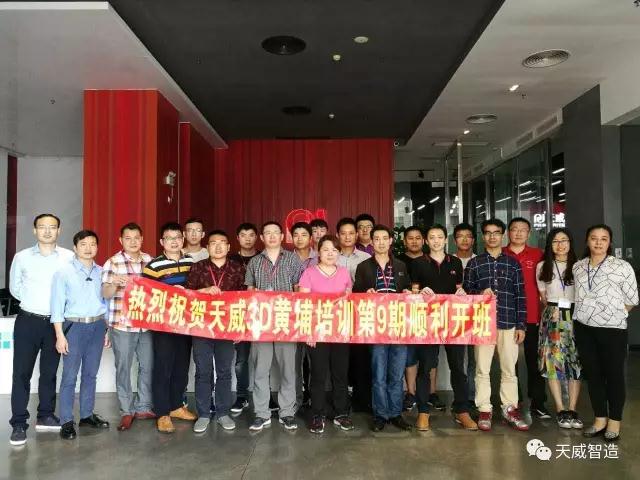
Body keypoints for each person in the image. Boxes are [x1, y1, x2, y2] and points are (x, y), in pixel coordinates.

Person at [8, 213, 74, 446]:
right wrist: (34, 301)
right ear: (35, 230)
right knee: (21, 373)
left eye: (52, 227)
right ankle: (18, 423)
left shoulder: (68, 257)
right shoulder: (22, 257)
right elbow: (15, 288)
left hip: (56, 323)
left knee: (49, 372)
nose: (47, 231)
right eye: (42, 227)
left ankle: (46, 414)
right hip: (28, 321)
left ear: (59, 230)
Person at [573, 224, 638, 441]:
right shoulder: (578, 267)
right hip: (584, 329)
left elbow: (631, 299)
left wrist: (613, 315)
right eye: (594, 238)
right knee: (593, 375)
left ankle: (615, 421)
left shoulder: (621, 267)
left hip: (612, 330)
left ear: (609, 242)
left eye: (604, 238)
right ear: (587, 240)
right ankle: (600, 418)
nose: (598, 242)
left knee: (614, 375)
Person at [463, 218, 529, 432]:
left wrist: (521, 325)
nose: (492, 236)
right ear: (483, 236)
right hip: (482, 324)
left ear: (502, 235)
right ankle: (484, 409)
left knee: (509, 369)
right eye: (488, 233)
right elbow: (466, 293)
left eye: (496, 232)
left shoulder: (513, 263)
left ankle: (510, 408)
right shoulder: (474, 263)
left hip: (508, 322)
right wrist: (480, 293)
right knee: (482, 369)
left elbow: (521, 295)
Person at [410, 225, 477, 431]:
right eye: (432, 237)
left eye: (440, 237)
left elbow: (459, 290)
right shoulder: (418, 263)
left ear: (446, 240)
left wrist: (462, 294)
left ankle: (461, 410)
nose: (436, 240)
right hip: (428, 323)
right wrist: (420, 293)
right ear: (426, 241)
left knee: (458, 367)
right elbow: (413, 293)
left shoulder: (454, 262)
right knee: (426, 367)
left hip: (452, 322)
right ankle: (423, 412)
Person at [51, 230, 109, 440]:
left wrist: (107, 329)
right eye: (83, 244)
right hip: (73, 327)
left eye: (92, 243)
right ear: (75, 248)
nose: (88, 248)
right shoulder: (63, 272)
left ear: (97, 247)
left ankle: (86, 415)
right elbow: (56, 306)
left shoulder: (102, 272)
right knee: (69, 376)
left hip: (97, 326)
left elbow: (107, 302)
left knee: (90, 374)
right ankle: (66, 421)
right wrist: (60, 335)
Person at [246, 221, 304, 432]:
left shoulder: (293, 259)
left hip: (285, 322)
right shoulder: (254, 261)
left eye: (275, 233)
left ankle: (287, 412)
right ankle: (261, 413)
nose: (271, 236)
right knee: (260, 370)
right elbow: (249, 291)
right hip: (261, 324)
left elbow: (299, 289)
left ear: (281, 236)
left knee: (288, 370)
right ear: (262, 237)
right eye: (267, 233)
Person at [186, 230, 246, 433]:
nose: (218, 246)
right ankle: (203, 413)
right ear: (207, 247)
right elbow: (186, 296)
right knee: (203, 371)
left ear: (229, 247)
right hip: (201, 327)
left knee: (224, 371)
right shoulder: (198, 267)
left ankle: (222, 412)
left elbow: (244, 300)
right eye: (213, 243)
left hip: (226, 327)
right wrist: (203, 291)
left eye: (222, 243)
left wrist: (239, 328)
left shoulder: (238, 269)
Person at [353, 224, 412, 432]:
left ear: (390, 241)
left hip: (398, 325)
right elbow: (355, 295)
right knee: (378, 375)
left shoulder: (401, 266)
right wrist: (365, 294)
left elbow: (408, 290)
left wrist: (408, 292)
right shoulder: (363, 267)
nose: (380, 242)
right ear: (372, 241)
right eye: (376, 238)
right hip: (376, 327)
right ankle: (380, 415)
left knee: (396, 374)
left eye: (384, 238)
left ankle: (395, 413)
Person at [142, 222, 196, 433]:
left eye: (177, 238)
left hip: (187, 324)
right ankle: (162, 413)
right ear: (162, 242)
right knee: (163, 367)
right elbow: (147, 296)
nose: (174, 242)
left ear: (183, 240)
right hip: (163, 324)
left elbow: (197, 290)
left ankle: (176, 406)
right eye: (169, 238)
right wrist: (172, 293)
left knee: (181, 366)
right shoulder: (153, 266)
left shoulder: (191, 262)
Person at [101, 222, 154, 432]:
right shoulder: (113, 262)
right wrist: (115, 283)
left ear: (142, 239)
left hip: (146, 324)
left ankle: (143, 407)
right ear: (121, 240)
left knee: (148, 365)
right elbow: (105, 294)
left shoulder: (150, 261)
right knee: (123, 367)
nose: (133, 242)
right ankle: (126, 410)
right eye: (128, 238)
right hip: (122, 325)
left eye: (136, 238)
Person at [299, 235, 354, 433]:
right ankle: (317, 414)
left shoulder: (344, 273)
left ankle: (341, 413)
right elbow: (304, 304)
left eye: (334, 250)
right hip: (318, 332)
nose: (330, 253)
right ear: (318, 252)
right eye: (326, 249)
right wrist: (309, 331)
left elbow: (349, 301)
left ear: (339, 252)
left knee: (340, 374)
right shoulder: (309, 273)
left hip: (340, 332)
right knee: (318, 375)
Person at [536, 228, 582, 429]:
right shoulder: (542, 266)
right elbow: (543, 297)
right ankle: (560, 409)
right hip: (553, 315)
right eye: (555, 241)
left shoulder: (580, 266)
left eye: (564, 240)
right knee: (553, 363)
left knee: (575, 363)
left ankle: (572, 409)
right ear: (550, 245)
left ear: (570, 243)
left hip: (576, 316)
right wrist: (555, 311)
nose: (560, 245)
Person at [503, 217, 549, 419]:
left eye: (523, 230)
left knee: (534, 361)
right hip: (506, 316)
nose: (519, 233)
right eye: (514, 229)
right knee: (509, 362)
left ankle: (538, 402)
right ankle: (515, 400)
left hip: (532, 315)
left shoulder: (538, 255)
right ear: (508, 233)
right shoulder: (500, 254)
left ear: (529, 233)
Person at [336, 217, 372, 412]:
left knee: (361, 357)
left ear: (357, 235)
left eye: (351, 233)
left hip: (360, 315)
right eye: (344, 233)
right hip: (337, 316)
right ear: (337, 235)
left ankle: (361, 398)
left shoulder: (366, 258)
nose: (348, 237)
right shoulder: (331, 256)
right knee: (342, 357)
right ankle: (342, 398)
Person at [229, 222, 260, 415]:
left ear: (256, 237)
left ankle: (266, 396)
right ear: (237, 238)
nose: (247, 239)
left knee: (263, 358)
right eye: (243, 235)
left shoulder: (263, 257)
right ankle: (242, 396)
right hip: (238, 314)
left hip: (261, 314)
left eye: (251, 235)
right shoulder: (230, 259)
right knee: (241, 359)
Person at [395, 226, 426, 412]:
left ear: (423, 240)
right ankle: (410, 393)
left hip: (428, 314)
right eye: (410, 238)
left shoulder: (429, 260)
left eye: (418, 238)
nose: (414, 241)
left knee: (429, 357)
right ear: (404, 241)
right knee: (408, 354)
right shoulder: (397, 262)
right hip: (404, 315)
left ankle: (428, 393)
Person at [453, 223, 477, 408]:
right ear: (454, 240)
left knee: (474, 359)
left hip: (476, 316)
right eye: (460, 236)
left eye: (468, 236)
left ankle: (471, 396)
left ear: (473, 240)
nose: (464, 239)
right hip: (454, 318)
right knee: (458, 361)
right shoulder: (449, 261)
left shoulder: (480, 261)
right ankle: (459, 397)